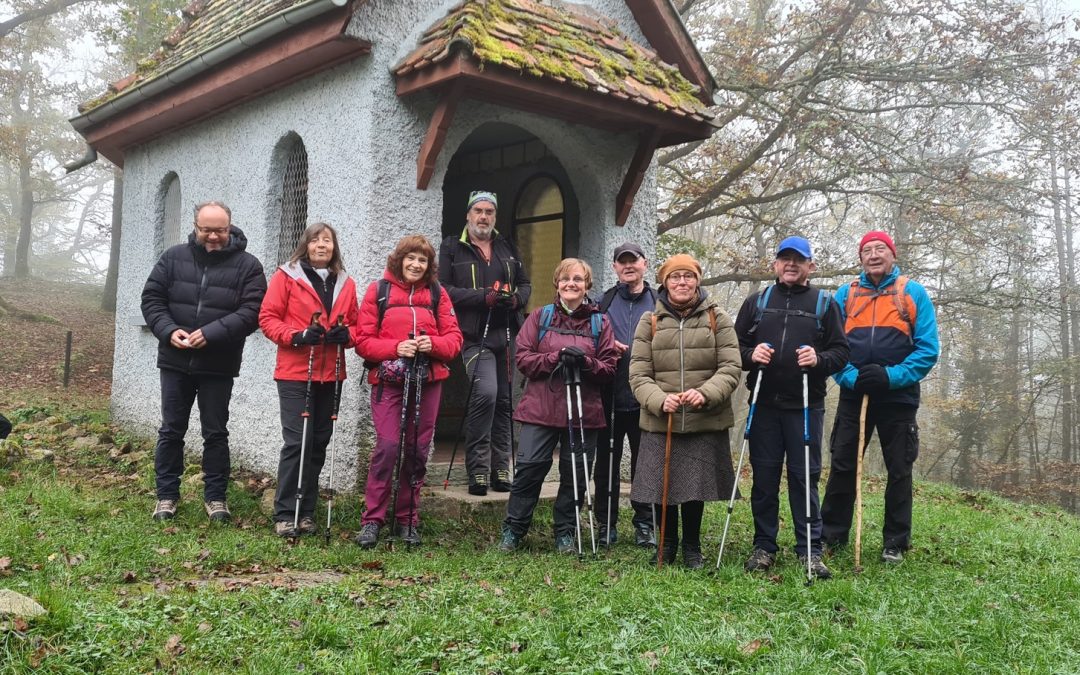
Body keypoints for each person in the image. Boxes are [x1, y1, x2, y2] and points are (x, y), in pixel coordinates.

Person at [141, 200, 266, 523]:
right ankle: (166, 496)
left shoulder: (248, 265)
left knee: (215, 433)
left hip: (218, 364)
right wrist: (169, 331)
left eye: (220, 230)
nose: (213, 236)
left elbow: (252, 312)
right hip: (174, 360)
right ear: (195, 227)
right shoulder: (172, 258)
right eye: (206, 230)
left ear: (230, 228)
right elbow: (152, 299)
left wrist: (211, 333)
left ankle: (216, 498)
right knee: (171, 430)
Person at [820, 230, 940, 564]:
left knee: (899, 468)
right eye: (867, 250)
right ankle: (831, 535)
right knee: (843, 463)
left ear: (892, 255)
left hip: (898, 397)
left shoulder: (912, 293)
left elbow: (927, 349)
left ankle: (896, 542)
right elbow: (831, 345)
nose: (874, 255)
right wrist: (851, 377)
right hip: (853, 393)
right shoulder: (847, 295)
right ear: (861, 258)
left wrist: (890, 376)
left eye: (880, 249)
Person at [733, 236, 849, 579]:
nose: (791, 265)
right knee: (764, 479)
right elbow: (735, 349)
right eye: (785, 259)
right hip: (764, 404)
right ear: (775, 264)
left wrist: (819, 358)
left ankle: (810, 550)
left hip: (806, 406)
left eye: (799, 260)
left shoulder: (824, 305)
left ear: (810, 266)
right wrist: (752, 356)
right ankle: (764, 546)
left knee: (804, 478)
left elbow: (841, 352)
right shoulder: (757, 302)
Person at [498, 258, 618, 553]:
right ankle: (513, 530)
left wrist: (586, 362)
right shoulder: (540, 317)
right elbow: (523, 359)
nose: (571, 284)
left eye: (578, 279)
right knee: (528, 470)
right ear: (557, 283)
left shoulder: (599, 322)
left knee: (575, 472)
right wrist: (555, 358)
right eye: (565, 279)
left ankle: (565, 531)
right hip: (541, 408)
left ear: (587, 285)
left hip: (583, 411)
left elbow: (609, 367)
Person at [629, 254, 741, 569]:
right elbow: (638, 373)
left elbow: (731, 367)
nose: (682, 282)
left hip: (704, 417)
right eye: (675, 277)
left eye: (688, 276)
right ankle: (666, 545)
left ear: (697, 280)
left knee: (694, 487)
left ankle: (692, 546)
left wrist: (705, 393)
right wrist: (657, 399)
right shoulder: (649, 321)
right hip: (660, 419)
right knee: (661, 486)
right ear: (664, 282)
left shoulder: (717, 318)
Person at [355, 235, 462, 548]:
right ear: (399, 260)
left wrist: (434, 344)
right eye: (411, 258)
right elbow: (362, 341)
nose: (416, 265)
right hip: (389, 382)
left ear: (429, 265)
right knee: (387, 448)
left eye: (422, 260)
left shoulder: (438, 294)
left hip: (427, 382)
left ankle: (407, 520)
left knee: (416, 451)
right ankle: (372, 520)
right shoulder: (379, 291)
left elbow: (454, 339)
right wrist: (395, 347)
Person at [259, 223, 359, 538]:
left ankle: (307, 513)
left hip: (331, 373)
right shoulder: (286, 277)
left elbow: (357, 326)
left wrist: (349, 336)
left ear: (334, 247)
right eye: (315, 239)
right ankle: (286, 512)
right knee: (298, 442)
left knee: (318, 443)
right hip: (295, 372)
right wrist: (297, 335)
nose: (321, 245)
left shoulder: (346, 282)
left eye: (327, 240)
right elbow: (267, 318)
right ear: (305, 245)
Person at [438, 191, 531, 495]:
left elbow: (525, 283)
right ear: (468, 215)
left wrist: (516, 299)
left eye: (489, 211)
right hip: (473, 336)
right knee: (486, 394)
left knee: (505, 402)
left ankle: (500, 467)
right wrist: (482, 297)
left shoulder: (507, 246)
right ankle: (478, 468)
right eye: (478, 210)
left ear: (495, 216)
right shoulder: (454, 247)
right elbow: (444, 290)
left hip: (505, 333)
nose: (483, 217)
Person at [593, 242, 658, 548]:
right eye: (622, 262)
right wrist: (608, 348)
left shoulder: (660, 302)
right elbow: (589, 340)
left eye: (634, 261)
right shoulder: (602, 302)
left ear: (645, 264)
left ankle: (645, 523)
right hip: (609, 398)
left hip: (646, 400)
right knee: (606, 464)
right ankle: (606, 524)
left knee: (645, 465)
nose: (628, 266)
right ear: (615, 266)